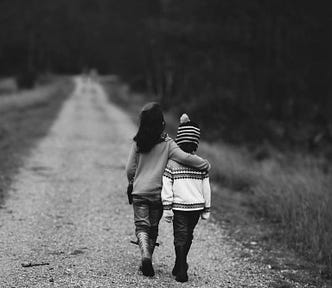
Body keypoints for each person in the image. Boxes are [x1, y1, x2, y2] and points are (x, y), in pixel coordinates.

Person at [125, 103, 210, 277]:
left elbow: (129, 169)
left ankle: (145, 255)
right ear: (161, 123)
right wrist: (205, 164)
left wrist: (132, 181)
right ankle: (148, 256)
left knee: (142, 225)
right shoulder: (168, 144)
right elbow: (185, 157)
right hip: (157, 194)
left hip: (139, 192)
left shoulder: (137, 142)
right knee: (153, 228)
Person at [161, 113, 211, 283]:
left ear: (178, 141)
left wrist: (167, 208)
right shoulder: (201, 165)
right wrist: (207, 209)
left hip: (179, 207)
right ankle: (180, 264)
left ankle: (181, 267)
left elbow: (166, 186)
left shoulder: (172, 163)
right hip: (196, 207)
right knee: (188, 235)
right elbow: (206, 188)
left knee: (180, 236)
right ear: (195, 143)